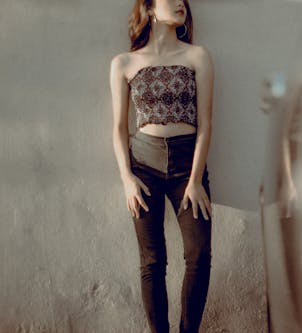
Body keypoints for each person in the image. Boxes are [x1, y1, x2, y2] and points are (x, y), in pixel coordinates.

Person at [109, 0, 214, 332]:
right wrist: (127, 179)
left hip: (188, 167)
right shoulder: (124, 63)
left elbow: (206, 123)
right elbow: (118, 127)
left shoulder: (197, 56)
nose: (181, 3)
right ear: (151, 8)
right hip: (143, 166)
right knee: (152, 262)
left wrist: (196, 180)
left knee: (199, 256)